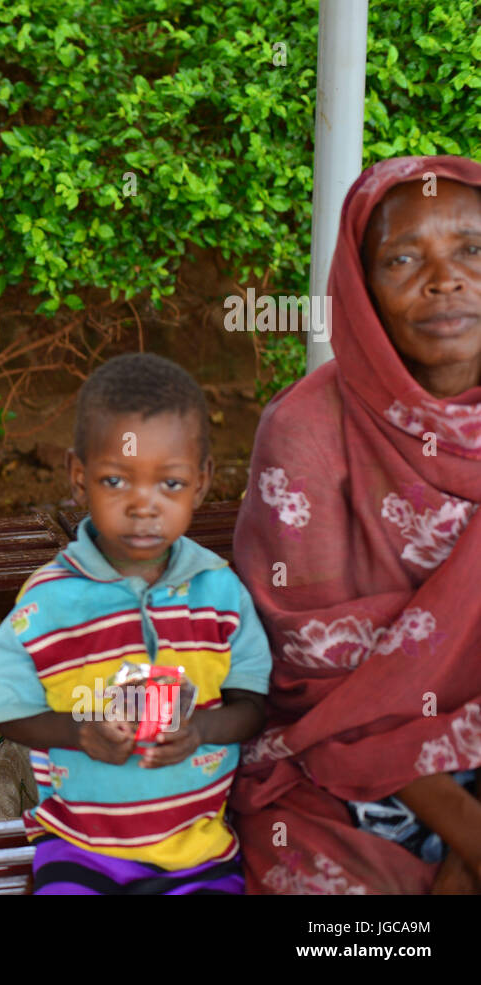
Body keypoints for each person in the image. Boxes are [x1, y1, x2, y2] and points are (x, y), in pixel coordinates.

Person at [231, 155, 481, 895]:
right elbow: (320, 688)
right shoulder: (307, 431)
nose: (446, 279)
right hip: (345, 776)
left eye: (473, 247)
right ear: (360, 286)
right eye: (403, 258)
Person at [0, 353, 270, 894]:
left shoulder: (221, 591)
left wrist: (200, 731)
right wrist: (79, 733)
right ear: (78, 476)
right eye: (116, 480)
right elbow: (9, 712)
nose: (143, 506)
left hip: (199, 852)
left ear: (202, 482)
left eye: (171, 484)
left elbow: (252, 706)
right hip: (77, 849)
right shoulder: (48, 598)